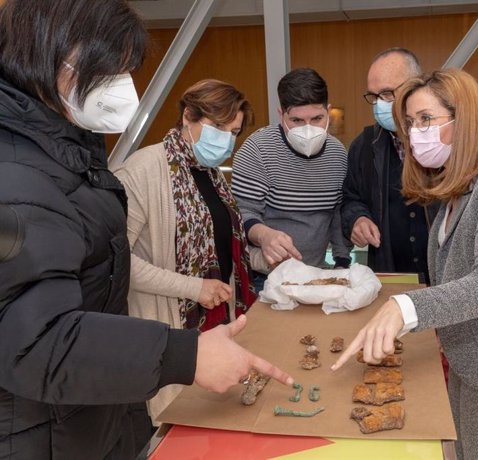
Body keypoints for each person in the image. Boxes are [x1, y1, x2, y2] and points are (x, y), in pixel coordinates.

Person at [0, 1, 292, 458]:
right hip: (98, 384)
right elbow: (43, 333)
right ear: (56, 57)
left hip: (108, 398)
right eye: (111, 71)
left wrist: (262, 249)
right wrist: (186, 324)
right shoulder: (123, 170)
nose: (123, 89)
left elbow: (216, 246)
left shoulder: (81, 155)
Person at [333, 68, 478, 460]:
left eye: (426, 119)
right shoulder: (457, 188)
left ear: (467, 120)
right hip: (463, 357)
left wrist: (405, 307)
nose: (415, 132)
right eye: (410, 122)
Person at [113, 79, 258, 423]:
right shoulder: (140, 170)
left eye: (234, 131)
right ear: (188, 116)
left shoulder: (211, 174)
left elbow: (224, 247)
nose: (226, 139)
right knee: (179, 427)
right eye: (218, 127)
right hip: (169, 329)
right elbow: (119, 262)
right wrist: (193, 288)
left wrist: (266, 254)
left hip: (214, 325)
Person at [231, 68, 351, 290]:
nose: (307, 129)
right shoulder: (257, 150)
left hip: (318, 273)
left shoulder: (337, 154)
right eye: (296, 120)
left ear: (328, 111)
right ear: (281, 115)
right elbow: (242, 214)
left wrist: (342, 261)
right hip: (264, 276)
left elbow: (336, 212)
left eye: (317, 118)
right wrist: (264, 235)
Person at [341, 48, 439, 283]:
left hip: (445, 278)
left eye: (387, 94)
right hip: (391, 276)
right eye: (374, 97)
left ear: (415, 86)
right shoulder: (364, 146)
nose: (379, 105)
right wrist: (357, 218)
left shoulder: (441, 138)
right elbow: (349, 199)